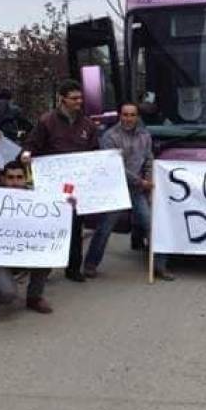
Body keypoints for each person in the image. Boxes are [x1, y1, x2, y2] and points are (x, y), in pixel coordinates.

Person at [83, 102, 173, 280]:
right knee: (105, 228)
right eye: (125, 115)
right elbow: (115, 167)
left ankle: (159, 267)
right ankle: (90, 264)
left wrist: (149, 177)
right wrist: (140, 181)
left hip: (139, 189)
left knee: (152, 226)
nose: (129, 118)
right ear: (120, 116)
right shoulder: (110, 137)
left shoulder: (145, 135)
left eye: (132, 115)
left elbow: (148, 158)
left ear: (137, 116)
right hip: (116, 188)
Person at [22, 79, 99, 282]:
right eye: (74, 98)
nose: (79, 102)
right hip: (52, 184)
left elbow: (95, 152)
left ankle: (73, 269)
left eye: (80, 98)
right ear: (62, 99)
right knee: (50, 226)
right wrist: (26, 155)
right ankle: (42, 269)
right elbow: (31, 145)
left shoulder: (88, 124)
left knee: (75, 227)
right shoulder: (47, 121)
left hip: (76, 186)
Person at [0, 161, 53, 314]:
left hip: (23, 252)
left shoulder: (36, 198)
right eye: (10, 178)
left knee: (48, 255)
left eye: (19, 177)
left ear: (26, 179)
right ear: (3, 179)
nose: (15, 182)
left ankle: (34, 297)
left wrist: (67, 205)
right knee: (6, 294)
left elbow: (55, 217)